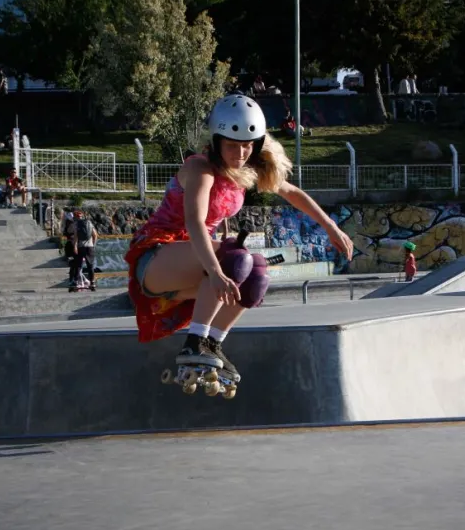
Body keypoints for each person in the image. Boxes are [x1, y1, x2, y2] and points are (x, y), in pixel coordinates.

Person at [124, 94, 354, 381]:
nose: (240, 154)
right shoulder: (200, 169)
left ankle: (213, 343)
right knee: (235, 259)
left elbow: (293, 194)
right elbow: (195, 222)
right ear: (217, 141)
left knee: (257, 274)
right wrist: (215, 271)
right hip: (157, 257)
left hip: (192, 263)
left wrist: (333, 228)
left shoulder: (246, 170)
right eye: (232, 146)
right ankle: (194, 342)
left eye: (247, 146)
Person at [69, 210, 98, 292]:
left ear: (75, 217)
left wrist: (75, 246)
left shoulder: (75, 224)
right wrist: (93, 244)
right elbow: (95, 235)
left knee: (78, 265)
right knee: (90, 266)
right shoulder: (89, 223)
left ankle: (75, 282)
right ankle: (92, 283)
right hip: (90, 247)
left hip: (80, 247)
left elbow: (75, 237)